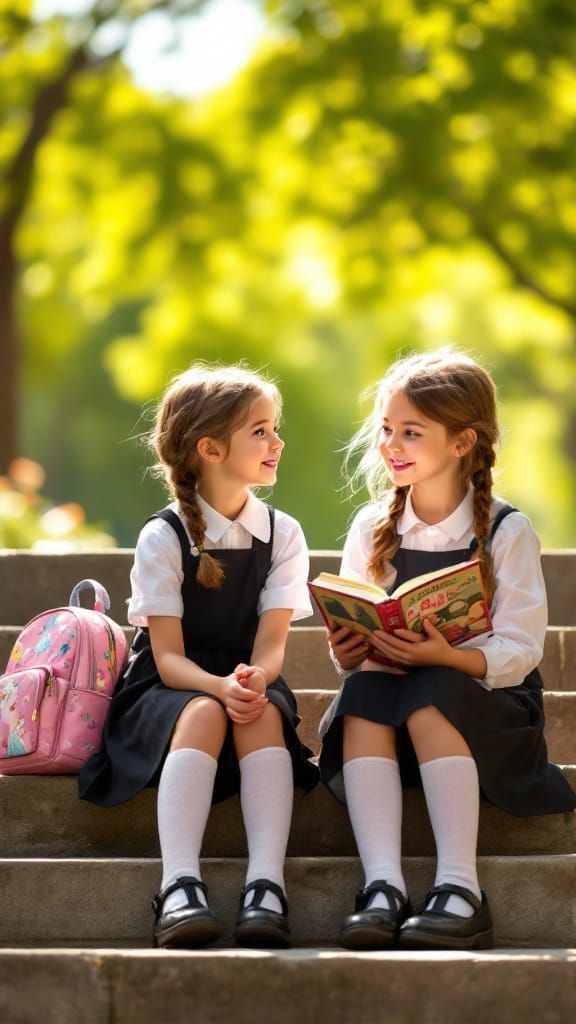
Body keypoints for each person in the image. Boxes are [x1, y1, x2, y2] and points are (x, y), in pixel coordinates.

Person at [318, 349, 576, 952]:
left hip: (485, 712)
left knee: (431, 694)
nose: (392, 444)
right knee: (361, 693)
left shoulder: (506, 530)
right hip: (393, 703)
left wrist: (447, 656)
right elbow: (355, 646)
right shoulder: (370, 526)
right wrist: (351, 648)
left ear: (462, 442)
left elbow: (520, 648)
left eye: (411, 432)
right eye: (387, 429)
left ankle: (461, 888)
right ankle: (383, 886)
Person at [79, 363, 318, 950]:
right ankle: (179, 883)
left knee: (260, 710)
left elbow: (272, 645)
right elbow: (166, 660)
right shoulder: (163, 536)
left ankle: (267, 886)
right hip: (169, 687)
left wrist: (254, 679)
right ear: (210, 449)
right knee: (210, 711)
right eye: (260, 431)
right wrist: (217, 687)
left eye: (274, 428)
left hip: (247, 677)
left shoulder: (282, 534)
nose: (277, 442)